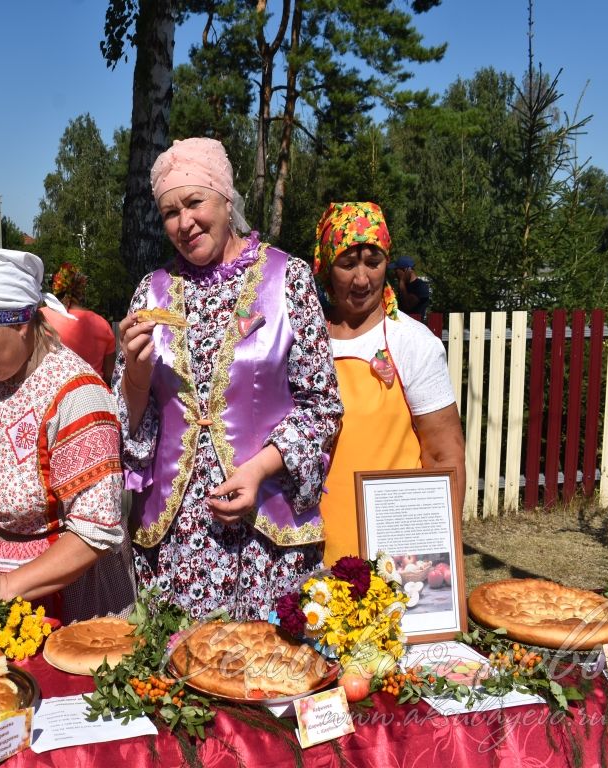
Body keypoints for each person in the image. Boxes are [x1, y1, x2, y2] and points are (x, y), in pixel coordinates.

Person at [114, 137, 343, 620]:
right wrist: (134, 376)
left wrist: (258, 470)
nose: (184, 223)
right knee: (180, 681)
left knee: (267, 675)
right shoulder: (151, 293)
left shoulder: (289, 280)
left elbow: (322, 406)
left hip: (268, 536)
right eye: (169, 212)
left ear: (226, 198)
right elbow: (132, 424)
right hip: (178, 544)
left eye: (195, 202)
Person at [0, 246, 135, 623]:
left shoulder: (78, 397)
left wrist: (3, 587)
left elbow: (95, 530)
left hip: (68, 597)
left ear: (20, 324)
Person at [313, 202, 464, 565]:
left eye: (374, 261)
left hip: (393, 556)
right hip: (307, 548)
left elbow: (444, 454)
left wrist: (440, 557)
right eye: (348, 264)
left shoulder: (412, 342)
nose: (362, 279)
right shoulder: (306, 338)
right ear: (326, 269)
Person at [39, 262, 116, 381]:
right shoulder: (102, 324)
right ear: (81, 288)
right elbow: (110, 374)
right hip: (93, 395)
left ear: (55, 286)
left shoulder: (39, 317)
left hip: (50, 394)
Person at [391, 256, 431, 320]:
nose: (394, 273)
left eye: (396, 270)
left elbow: (408, 305)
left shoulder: (421, 286)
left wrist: (402, 282)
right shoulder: (403, 286)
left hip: (415, 326)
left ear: (405, 270)